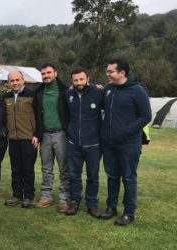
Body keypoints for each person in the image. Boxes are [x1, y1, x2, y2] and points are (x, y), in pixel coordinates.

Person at [100, 59, 151, 225]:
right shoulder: (108, 89)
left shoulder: (137, 91)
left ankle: (129, 213)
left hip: (129, 143)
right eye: (107, 71)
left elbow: (146, 116)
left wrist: (126, 131)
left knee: (128, 178)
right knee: (112, 176)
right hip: (109, 143)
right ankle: (111, 208)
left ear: (122, 73)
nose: (107, 74)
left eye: (110, 71)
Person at [64, 68, 103, 218]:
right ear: (72, 81)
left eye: (81, 79)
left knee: (93, 175)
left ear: (88, 78)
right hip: (74, 143)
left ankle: (92, 204)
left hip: (93, 144)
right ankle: (74, 201)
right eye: (76, 80)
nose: (79, 83)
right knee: (74, 175)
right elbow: (66, 115)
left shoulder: (98, 93)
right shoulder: (68, 95)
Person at [35, 63, 70, 213]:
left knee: (64, 168)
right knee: (46, 168)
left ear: (56, 73)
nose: (46, 75)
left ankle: (64, 199)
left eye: (49, 72)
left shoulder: (66, 91)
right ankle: (46, 196)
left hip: (61, 134)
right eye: (43, 73)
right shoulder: (38, 92)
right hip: (44, 135)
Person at [3, 71, 39, 209]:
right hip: (13, 139)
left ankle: (29, 197)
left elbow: (38, 115)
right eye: (12, 81)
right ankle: (17, 195)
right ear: (9, 82)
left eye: (17, 80)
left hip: (29, 139)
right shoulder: (6, 97)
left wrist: (37, 134)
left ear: (23, 80)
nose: (15, 83)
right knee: (16, 169)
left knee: (28, 169)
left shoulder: (32, 94)